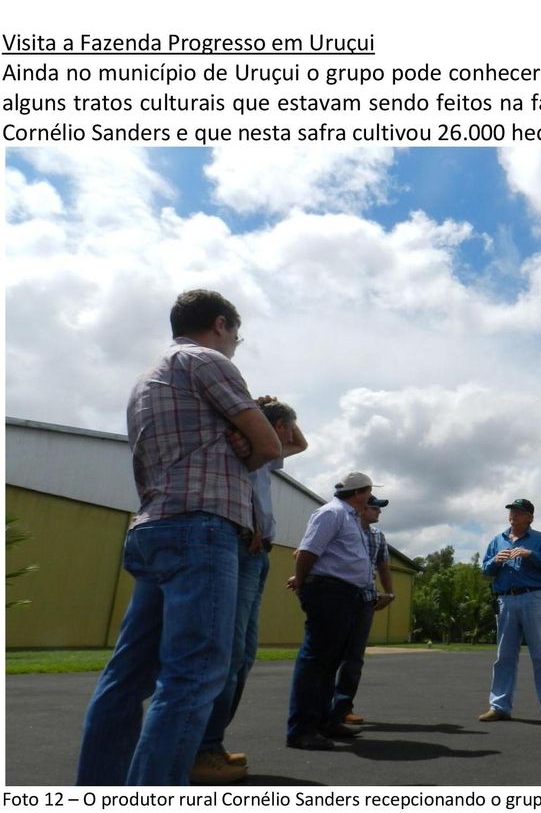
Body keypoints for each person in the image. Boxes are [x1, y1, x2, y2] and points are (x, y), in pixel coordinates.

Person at [75, 291, 282, 787]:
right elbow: (271, 446)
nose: (235, 343)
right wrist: (247, 444)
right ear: (220, 324)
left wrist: (238, 441)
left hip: (154, 527)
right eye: (237, 333)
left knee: (128, 674)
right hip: (203, 529)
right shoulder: (206, 359)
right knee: (195, 674)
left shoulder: (147, 378)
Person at [191, 396, 308, 784]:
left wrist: (279, 415)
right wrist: (260, 416)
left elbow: (301, 443)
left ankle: (212, 744)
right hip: (242, 546)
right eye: (284, 429)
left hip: (259, 554)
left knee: (243, 655)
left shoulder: (267, 453)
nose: (287, 439)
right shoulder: (243, 446)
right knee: (227, 652)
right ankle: (202, 747)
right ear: (271, 429)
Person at [286, 471, 378, 750]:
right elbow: (307, 552)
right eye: (369, 493)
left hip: (346, 595)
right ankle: (301, 729)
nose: (371, 499)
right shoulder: (332, 513)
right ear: (360, 493)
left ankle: (323, 721)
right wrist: (302, 584)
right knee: (316, 661)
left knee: (331, 661)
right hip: (329, 593)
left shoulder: (350, 518)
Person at [478, 497, 541, 724]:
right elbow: (485, 571)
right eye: (511, 511)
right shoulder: (498, 540)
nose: (513, 514)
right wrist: (495, 560)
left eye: (518, 511)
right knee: (504, 656)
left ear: (529, 517)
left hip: (534, 598)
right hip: (506, 600)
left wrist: (531, 554)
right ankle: (499, 706)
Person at [332, 493, 397, 727]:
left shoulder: (379, 536)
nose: (379, 512)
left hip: (366, 598)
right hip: (340, 596)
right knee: (331, 653)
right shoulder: (344, 526)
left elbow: (383, 566)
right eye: (375, 508)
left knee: (354, 657)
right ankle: (321, 707)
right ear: (362, 508)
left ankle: (343, 707)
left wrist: (389, 593)